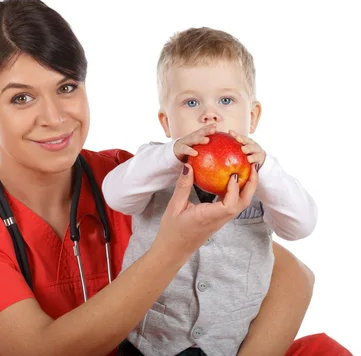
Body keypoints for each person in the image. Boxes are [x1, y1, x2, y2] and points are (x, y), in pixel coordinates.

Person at [0, 0, 346, 356]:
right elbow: (43, 350)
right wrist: (172, 247)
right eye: (22, 98)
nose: (53, 117)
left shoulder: (132, 175)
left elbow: (290, 273)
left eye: (67, 88)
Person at [103, 27, 318, 356]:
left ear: (253, 116)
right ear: (166, 122)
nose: (209, 114)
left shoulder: (263, 178)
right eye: (191, 102)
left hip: (226, 345)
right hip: (146, 343)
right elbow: (115, 194)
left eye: (226, 100)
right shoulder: (156, 164)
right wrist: (168, 156)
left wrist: (267, 171)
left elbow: (301, 225)